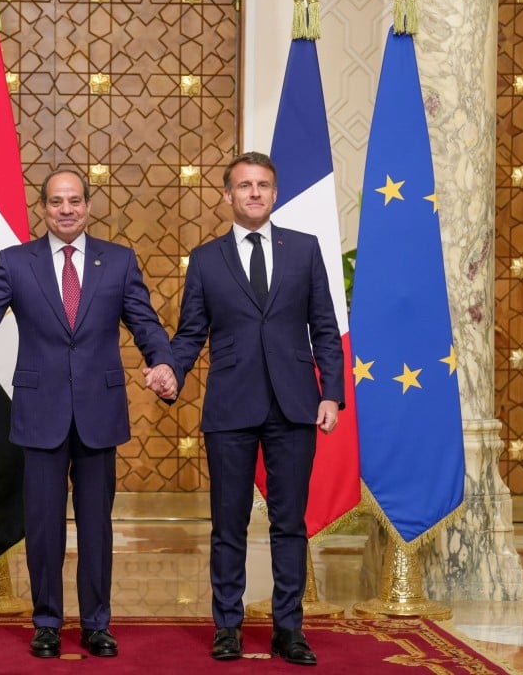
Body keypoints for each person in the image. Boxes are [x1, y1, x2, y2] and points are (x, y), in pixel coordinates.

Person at [0, 169, 179, 659]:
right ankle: (46, 623)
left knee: (96, 525)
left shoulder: (119, 261)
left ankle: (96, 624)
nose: (67, 209)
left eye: (75, 201)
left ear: (89, 205)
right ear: (42, 208)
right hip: (39, 412)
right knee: (43, 526)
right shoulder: (16, 262)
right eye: (57, 201)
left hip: (99, 414)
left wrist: (163, 361)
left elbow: (144, 322)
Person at [170, 152, 344, 665]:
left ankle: (289, 629)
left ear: (274, 193)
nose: (253, 193)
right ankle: (228, 626)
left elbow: (326, 330)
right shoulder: (205, 260)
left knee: (290, 524)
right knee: (228, 524)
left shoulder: (305, 251)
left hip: (295, 406)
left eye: (262, 185)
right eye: (244, 185)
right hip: (230, 407)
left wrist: (330, 393)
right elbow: (189, 334)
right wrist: (170, 371)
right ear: (227, 196)